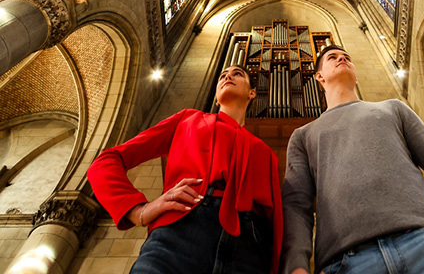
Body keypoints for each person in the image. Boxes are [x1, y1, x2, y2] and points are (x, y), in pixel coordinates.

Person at [281, 45, 424, 274]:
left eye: (347, 57)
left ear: (357, 76)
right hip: (346, 263)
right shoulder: (303, 135)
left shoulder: (393, 108)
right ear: (319, 76)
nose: (342, 59)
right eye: (333, 57)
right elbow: (296, 207)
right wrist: (296, 266)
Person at [87, 65, 283, 274]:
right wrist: (138, 211)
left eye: (237, 74)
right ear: (216, 98)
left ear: (252, 93)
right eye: (223, 75)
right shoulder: (189, 120)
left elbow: (276, 219)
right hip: (181, 231)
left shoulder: (265, 152)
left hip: (249, 247)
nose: (228, 77)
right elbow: (105, 161)